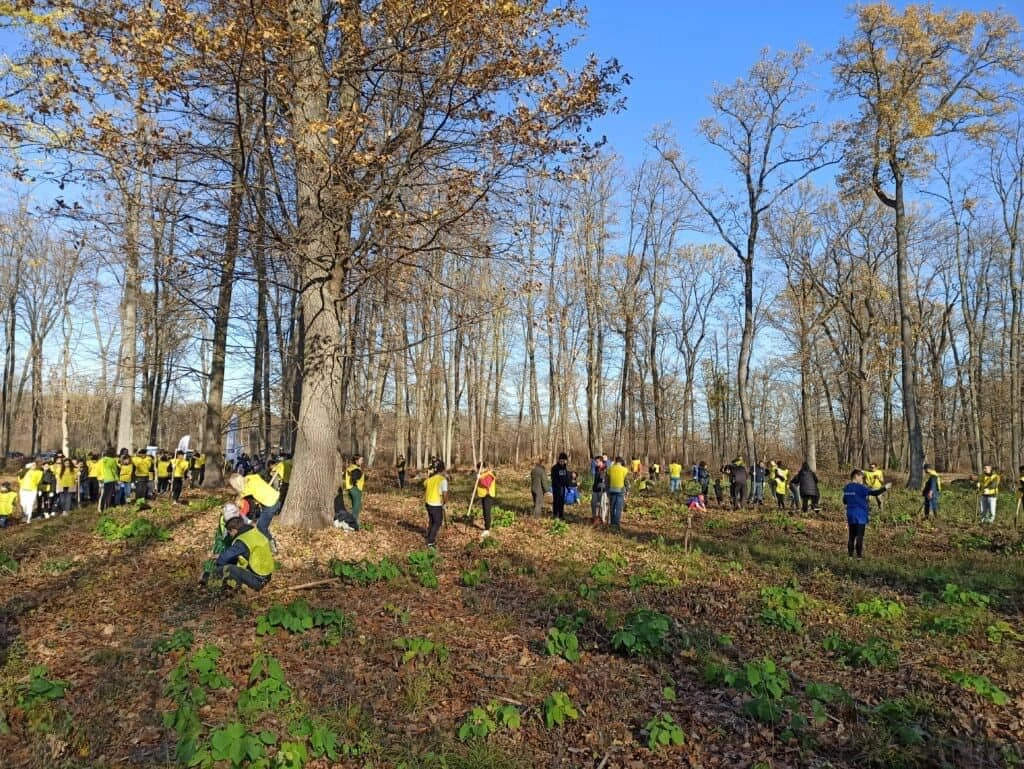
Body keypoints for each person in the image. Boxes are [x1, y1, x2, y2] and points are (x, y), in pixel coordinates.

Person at [213, 515, 275, 591]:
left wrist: (217, 561)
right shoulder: (254, 532)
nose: (230, 536)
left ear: (234, 530)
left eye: (229, 533)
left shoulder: (242, 541)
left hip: (258, 580)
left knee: (228, 568)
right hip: (267, 576)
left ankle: (213, 586)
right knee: (234, 561)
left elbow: (223, 559)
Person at [843, 468, 890, 557]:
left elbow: (844, 501)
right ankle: (859, 557)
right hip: (860, 515)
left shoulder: (847, 488)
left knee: (851, 537)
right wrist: (885, 488)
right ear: (856, 476)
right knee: (859, 537)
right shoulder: (861, 487)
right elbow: (874, 493)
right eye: (861, 477)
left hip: (850, 514)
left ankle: (849, 556)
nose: (862, 479)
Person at [200, 502, 250, 585]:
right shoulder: (224, 523)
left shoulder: (239, 516)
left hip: (236, 538)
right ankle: (208, 574)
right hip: (225, 540)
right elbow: (223, 540)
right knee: (220, 553)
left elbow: (248, 521)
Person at [229, 471, 281, 544]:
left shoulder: (246, 489)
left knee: (261, 526)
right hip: (275, 496)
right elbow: (257, 476)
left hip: (271, 504)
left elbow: (239, 498)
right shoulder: (251, 477)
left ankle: (271, 543)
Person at [423, 459, 448, 547]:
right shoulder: (443, 480)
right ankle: (430, 541)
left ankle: (428, 534)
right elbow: (445, 494)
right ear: (443, 470)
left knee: (432, 520)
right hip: (436, 504)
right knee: (437, 522)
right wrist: (445, 503)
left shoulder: (430, 479)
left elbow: (424, 484)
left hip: (428, 503)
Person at [343, 454, 366, 530]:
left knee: (354, 507)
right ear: (356, 461)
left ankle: (354, 523)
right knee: (356, 508)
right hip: (356, 489)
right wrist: (355, 480)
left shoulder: (350, 467)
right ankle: (352, 525)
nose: (362, 462)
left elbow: (346, 476)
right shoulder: (356, 469)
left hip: (350, 489)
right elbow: (354, 477)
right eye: (361, 460)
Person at [606, 456, 629, 531]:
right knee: (618, 508)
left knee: (612, 507)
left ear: (615, 461)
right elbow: (626, 482)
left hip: (612, 490)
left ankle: (612, 523)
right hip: (620, 490)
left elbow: (607, 482)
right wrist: (627, 491)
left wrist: (607, 491)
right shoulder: (624, 470)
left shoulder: (610, 469)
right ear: (621, 462)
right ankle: (616, 524)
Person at [475, 462, 497, 539]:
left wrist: (480, 478)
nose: (478, 470)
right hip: (483, 495)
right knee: (484, 512)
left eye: (479, 469)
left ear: (483, 468)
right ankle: (486, 527)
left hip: (488, 495)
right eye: (478, 469)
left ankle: (487, 529)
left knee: (487, 512)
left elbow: (486, 484)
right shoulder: (482, 474)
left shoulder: (489, 474)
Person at [551, 452, 571, 520]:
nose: (563, 462)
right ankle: (555, 515)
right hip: (556, 488)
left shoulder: (564, 468)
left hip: (563, 488)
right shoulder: (555, 468)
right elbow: (554, 479)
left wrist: (568, 487)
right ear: (559, 460)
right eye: (562, 461)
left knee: (561, 502)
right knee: (556, 501)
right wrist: (558, 486)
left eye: (564, 461)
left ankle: (561, 515)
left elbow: (566, 478)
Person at [591, 456, 609, 526]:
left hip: (603, 489)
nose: (596, 463)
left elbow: (606, 479)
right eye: (596, 462)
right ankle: (594, 517)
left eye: (597, 462)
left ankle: (603, 518)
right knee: (593, 503)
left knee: (602, 505)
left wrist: (603, 477)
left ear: (601, 462)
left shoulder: (606, 469)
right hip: (595, 489)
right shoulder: (596, 468)